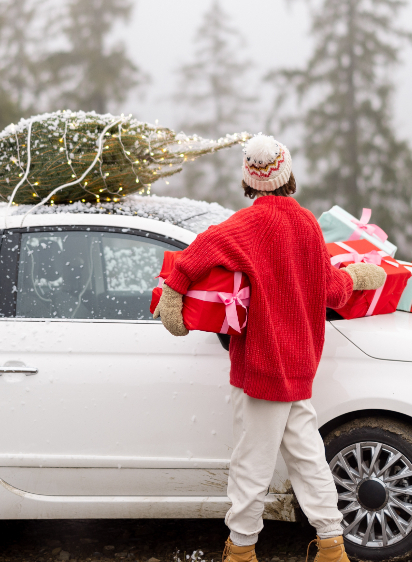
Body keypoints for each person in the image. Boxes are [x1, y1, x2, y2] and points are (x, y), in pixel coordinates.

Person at [153, 135, 385, 562]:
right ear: (287, 174)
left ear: (249, 179)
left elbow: (197, 253)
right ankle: (332, 546)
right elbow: (332, 291)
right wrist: (357, 276)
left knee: (251, 464)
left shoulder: (247, 225)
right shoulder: (307, 224)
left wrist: (173, 291)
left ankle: (241, 550)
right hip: (299, 368)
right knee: (308, 459)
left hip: (262, 368)